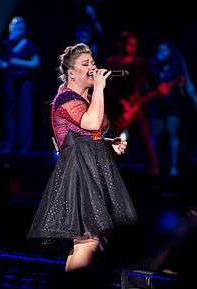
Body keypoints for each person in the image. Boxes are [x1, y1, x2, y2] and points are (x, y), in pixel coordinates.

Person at [27, 43, 137, 272]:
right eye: (85, 64)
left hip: (89, 169)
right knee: (88, 241)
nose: (92, 68)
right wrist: (98, 88)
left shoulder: (81, 100)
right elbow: (91, 123)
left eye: (93, 63)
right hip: (79, 173)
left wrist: (109, 143)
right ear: (71, 73)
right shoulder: (67, 99)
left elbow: (81, 136)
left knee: (88, 242)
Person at [105, 31, 159, 175]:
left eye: (134, 44)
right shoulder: (112, 62)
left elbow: (154, 84)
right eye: (129, 44)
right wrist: (120, 101)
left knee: (146, 140)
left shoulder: (141, 63)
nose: (132, 47)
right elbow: (106, 87)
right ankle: (109, 174)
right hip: (117, 110)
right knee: (113, 142)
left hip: (137, 108)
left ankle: (153, 173)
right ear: (121, 45)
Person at [149, 41, 197, 176]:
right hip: (157, 105)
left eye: (165, 50)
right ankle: (154, 165)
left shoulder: (177, 66)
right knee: (155, 136)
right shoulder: (152, 65)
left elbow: (188, 86)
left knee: (173, 134)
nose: (162, 53)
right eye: (160, 50)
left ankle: (173, 166)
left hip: (173, 105)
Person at [0, 16, 40, 154]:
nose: (16, 28)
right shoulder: (6, 44)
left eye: (19, 26)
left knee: (24, 114)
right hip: (10, 82)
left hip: (24, 83)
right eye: (14, 26)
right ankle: (9, 144)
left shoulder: (28, 44)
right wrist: (2, 64)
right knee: (9, 113)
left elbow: (35, 62)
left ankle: (24, 146)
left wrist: (18, 62)